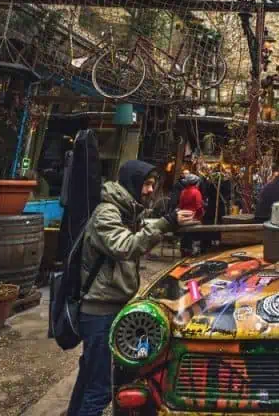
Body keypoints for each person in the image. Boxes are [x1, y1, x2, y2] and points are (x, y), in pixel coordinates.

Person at [67, 160, 193, 416]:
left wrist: (168, 222)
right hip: (99, 310)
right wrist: (166, 222)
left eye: (152, 185)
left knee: (90, 376)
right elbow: (125, 246)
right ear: (131, 183)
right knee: (101, 388)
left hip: (111, 305)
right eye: (146, 184)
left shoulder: (127, 210)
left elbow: (145, 228)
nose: (150, 190)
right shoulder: (107, 213)